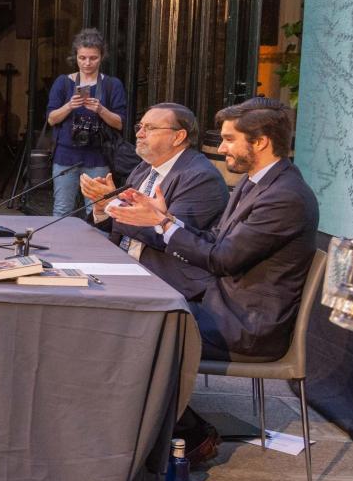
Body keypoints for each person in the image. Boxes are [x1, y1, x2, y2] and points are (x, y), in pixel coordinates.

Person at [110, 98, 319, 364]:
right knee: (126, 315)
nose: (221, 148)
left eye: (230, 139)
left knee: (132, 327)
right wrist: (167, 219)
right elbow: (216, 239)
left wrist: (161, 224)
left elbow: (222, 260)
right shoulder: (255, 182)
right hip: (219, 308)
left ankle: (152, 405)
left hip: (245, 327)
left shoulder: (285, 196)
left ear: (260, 142)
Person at [82, 103, 229, 300]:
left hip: (165, 279)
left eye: (150, 128)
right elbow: (118, 227)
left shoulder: (200, 177)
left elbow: (168, 237)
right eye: (140, 127)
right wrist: (101, 208)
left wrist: (113, 204)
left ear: (178, 137)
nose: (139, 134)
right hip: (122, 264)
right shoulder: (144, 167)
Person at [46, 29, 127, 216]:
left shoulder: (111, 85)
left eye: (93, 58)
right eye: (82, 58)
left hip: (97, 155)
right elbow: (51, 120)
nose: (87, 63)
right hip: (66, 154)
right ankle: (61, 245)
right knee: (62, 208)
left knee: (97, 210)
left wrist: (101, 109)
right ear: (75, 57)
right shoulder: (63, 83)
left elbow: (120, 124)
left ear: (102, 57)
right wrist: (69, 106)